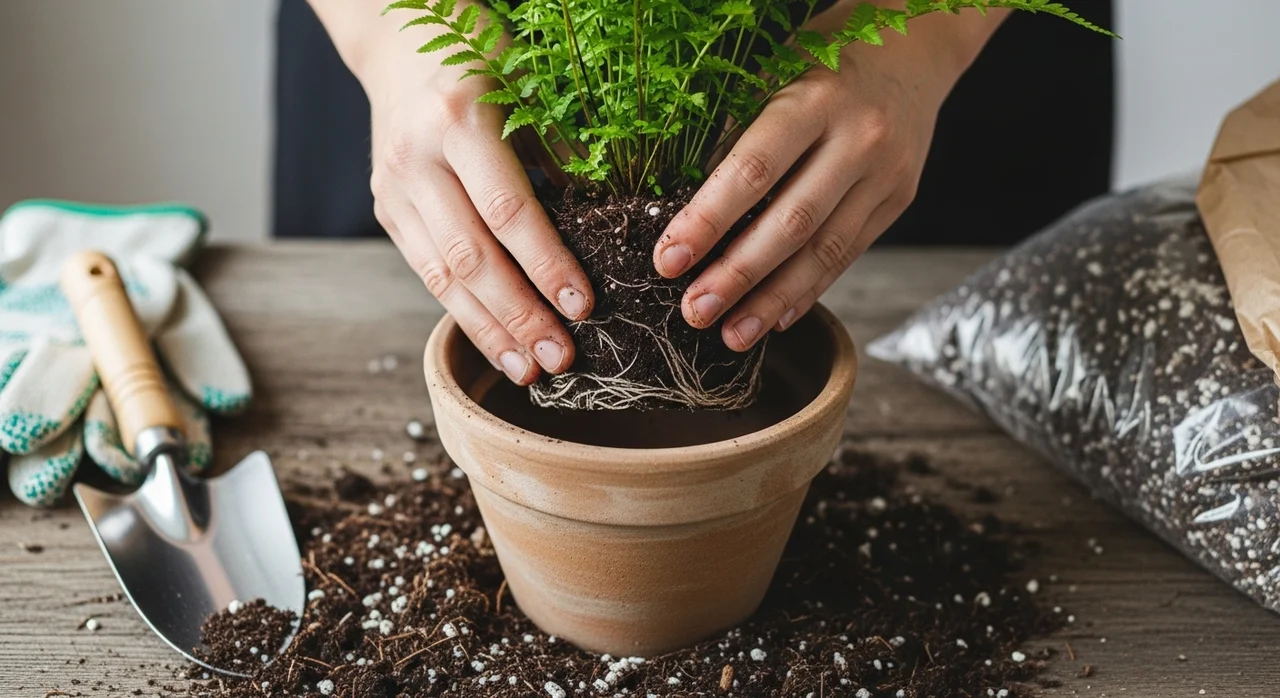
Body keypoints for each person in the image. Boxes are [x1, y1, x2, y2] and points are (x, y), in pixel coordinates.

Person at [283, 0, 1113, 385]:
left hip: (902, 59)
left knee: (1013, 371)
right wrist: (385, 28)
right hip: (441, 56)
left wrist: (926, 31)